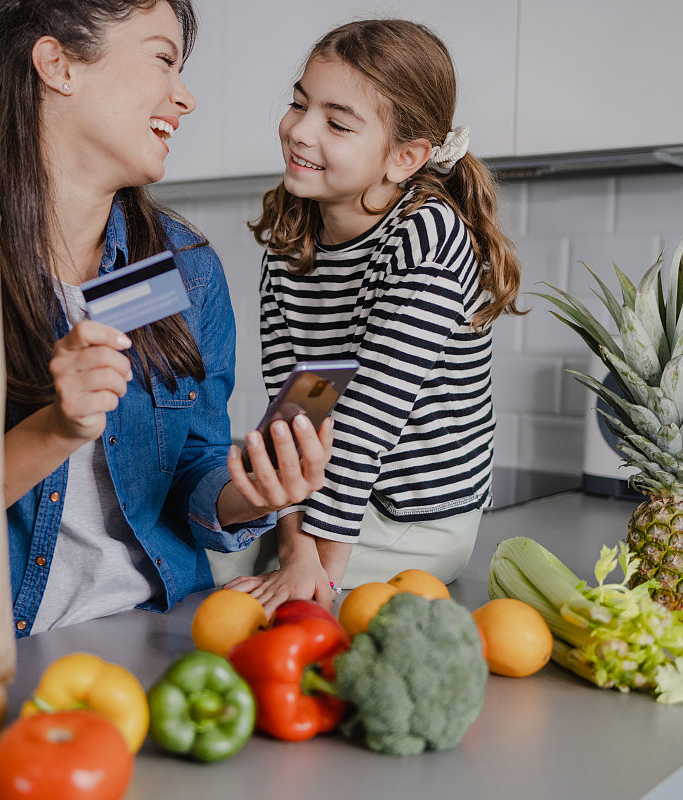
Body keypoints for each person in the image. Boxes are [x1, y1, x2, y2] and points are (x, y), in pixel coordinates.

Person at [0, 0, 333, 636]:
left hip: (156, 629)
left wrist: (256, 494)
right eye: (162, 59)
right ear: (59, 63)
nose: (185, 98)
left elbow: (190, 472)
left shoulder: (184, 270)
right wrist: (60, 426)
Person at [225, 19, 523, 614]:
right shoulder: (292, 244)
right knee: (201, 551)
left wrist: (320, 572)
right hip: (326, 495)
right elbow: (296, 415)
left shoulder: (426, 238)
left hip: (414, 515)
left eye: (336, 123)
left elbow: (368, 419)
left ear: (404, 158)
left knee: (270, 606)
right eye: (298, 104)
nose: (300, 131)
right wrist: (293, 542)